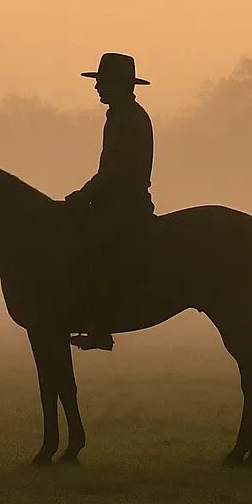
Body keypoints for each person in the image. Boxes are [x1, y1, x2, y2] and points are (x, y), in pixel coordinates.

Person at [64, 53, 155, 351]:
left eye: (100, 82)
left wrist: (82, 197)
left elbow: (112, 173)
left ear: (115, 84)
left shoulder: (127, 118)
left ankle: (101, 328)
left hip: (126, 205)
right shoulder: (124, 115)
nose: (96, 88)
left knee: (89, 248)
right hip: (119, 201)